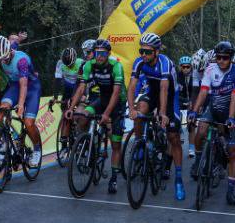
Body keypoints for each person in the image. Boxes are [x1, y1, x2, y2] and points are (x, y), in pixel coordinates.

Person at [127, 33, 185, 199]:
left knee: (173, 137)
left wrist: (162, 114)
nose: (143, 55)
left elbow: (165, 89)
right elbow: (132, 86)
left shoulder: (165, 63)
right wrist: (131, 108)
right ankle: (140, 144)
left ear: (156, 52)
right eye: (141, 51)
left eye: (147, 52)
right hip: (152, 91)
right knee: (139, 112)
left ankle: (179, 180)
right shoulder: (139, 62)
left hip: (170, 95)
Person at [190, 41, 235, 206]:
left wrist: (231, 118)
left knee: (233, 151)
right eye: (218, 57)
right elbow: (204, 91)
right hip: (213, 108)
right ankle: (199, 159)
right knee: (200, 132)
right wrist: (194, 111)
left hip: (230, 110)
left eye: (225, 58)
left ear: (231, 58)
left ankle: (230, 190)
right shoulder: (210, 69)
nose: (221, 61)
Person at [70, 39, 127, 193]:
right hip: (101, 99)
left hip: (118, 102)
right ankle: (87, 144)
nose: (99, 56)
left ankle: (114, 178)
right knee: (83, 116)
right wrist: (71, 107)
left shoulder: (116, 66)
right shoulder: (89, 65)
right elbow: (81, 88)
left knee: (115, 143)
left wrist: (107, 114)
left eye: (103, 53)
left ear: (108, 54)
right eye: (97, 53)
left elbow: (116, 93)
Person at [0, 35, 43, 166]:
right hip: (14, 86)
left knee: (28, 122)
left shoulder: (21, 60)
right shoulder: (5, 49)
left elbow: (24, 85)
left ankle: (37, 149)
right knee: (2, 109)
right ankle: (9, 138)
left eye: (5, 58)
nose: (3, 61)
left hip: (31, 87)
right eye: (0, 59)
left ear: (9, 51)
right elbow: (15, 42)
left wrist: (20, 105)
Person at [177, 55, 197, 160]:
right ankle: (179, 133)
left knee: (191, 123)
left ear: (191, 67)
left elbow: (196, 92)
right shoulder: (176, 76)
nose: (185, 69)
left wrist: (192, 103)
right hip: (180, 100)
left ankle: (191, 148)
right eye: (183, 67)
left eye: (187, 67)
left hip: (191, 102)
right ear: (180, 67)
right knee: (176, 118)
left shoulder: (195, 76)